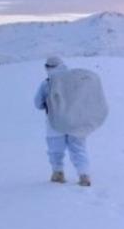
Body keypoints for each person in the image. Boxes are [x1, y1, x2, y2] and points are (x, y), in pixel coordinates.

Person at [33, 56, 92, 187]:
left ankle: (58, 173)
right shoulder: (76, 80)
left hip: (55, 122)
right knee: (78, 149)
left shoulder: (47, 83)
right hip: (76, 121)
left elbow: (38, 103)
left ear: (48, 67)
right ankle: (84, 175)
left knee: (55, 150)